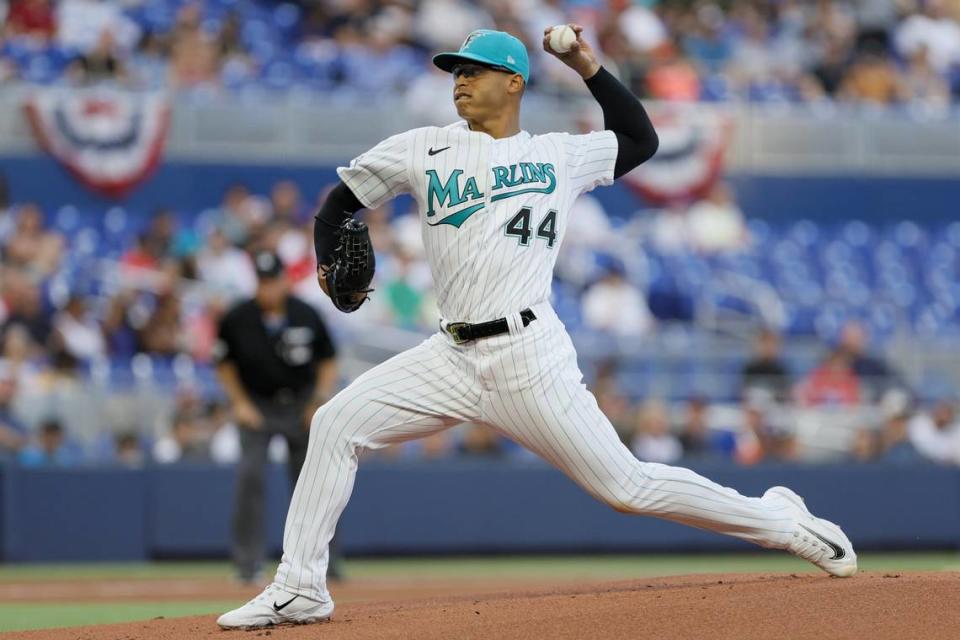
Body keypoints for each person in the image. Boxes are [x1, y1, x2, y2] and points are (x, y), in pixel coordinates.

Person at [218, 26, 857, 630]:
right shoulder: (424, 146)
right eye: (455, 71)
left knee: (627, 487)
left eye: (475, 71)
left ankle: (777, 521)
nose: (459, 81)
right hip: (449, 354)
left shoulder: (557, 155)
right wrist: (333, 257)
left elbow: (640, 141)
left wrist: (586, 65)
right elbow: (339, 205)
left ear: (515, 81)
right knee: (334, 424)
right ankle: (302, 586)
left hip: (528, 355)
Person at [214, 251, 339, 585]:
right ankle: (247, 564)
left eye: (273, 280)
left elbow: (328, 360)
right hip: (257, 404)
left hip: (300, 403)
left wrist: (318, 401)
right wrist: (239, 402)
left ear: (285, 279)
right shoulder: (238, 316)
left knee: (314, 483)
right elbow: (224, 364)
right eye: (263, 281)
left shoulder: (306, 313)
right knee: (250, 477)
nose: (268, 288)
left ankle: (324, 564)